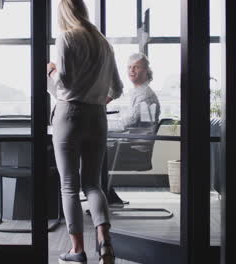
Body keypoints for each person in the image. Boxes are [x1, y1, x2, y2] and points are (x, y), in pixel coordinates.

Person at [47, 0, 123, 263]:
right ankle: (105, 244)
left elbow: (64, 81)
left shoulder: (66, 37)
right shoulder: (103, 43)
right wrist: (95, 99)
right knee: (93, 183)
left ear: (64, 13)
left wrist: (50, 72)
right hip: (97, 116)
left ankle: (77, 250)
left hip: (69, 114)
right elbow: (118, 89)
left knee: (69, 184)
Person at [119, 52, 160, 131]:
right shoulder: (137, 91)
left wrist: (107, 124)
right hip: (136, 138)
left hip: (141, 141)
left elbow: (132, 120)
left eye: (136, 67)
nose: (131, 70)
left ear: (146, 70)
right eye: (129, 67)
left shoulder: (145, 94)